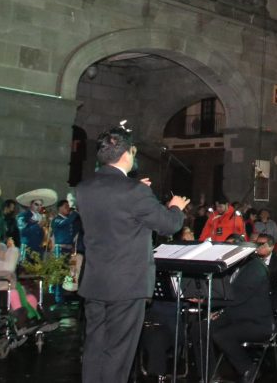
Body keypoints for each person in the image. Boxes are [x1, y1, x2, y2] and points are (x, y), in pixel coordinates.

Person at [76, 126, 188, 383]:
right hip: (126, 285)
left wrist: (135, 189)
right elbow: (168, 225)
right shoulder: (135, 192)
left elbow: (113, 207)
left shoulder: (84, 188)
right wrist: (175, 208)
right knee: (119, 351)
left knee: (95, 347)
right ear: (127, 154)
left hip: (95, 281)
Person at [211, 252, 274, 383]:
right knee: (201, 328)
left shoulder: (256, 268)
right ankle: (208, 373)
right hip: (236, 317)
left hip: (257, 323)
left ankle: (248, 370)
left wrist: (206, 301)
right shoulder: (236, 266)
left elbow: (237, 297)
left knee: (222, 335)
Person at [0, 233, 42, 322]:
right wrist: (12, 250)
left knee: (31, 298)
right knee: (14, 293)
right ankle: (20, 319)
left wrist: (10, 248)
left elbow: (11, 259)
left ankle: (33, 319)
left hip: (5, 288)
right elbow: (9, 268)